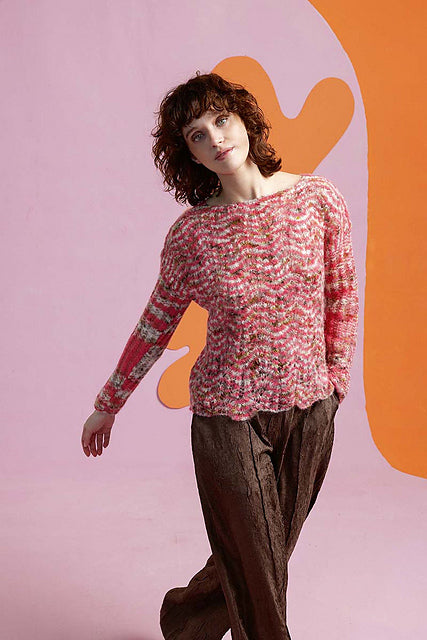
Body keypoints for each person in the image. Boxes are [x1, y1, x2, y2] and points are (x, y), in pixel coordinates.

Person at [81, 72, 359, 639]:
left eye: (221, 120)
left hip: (311, 410)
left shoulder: (318, 200)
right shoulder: (192, 236)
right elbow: (155, 325)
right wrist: (108, 404)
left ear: (244, 119)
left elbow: (343, 294)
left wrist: (336, 382)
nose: (216, 139)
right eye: (196, 135)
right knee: (258, 565)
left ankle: (186, 621)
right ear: (189, 155)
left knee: (261, 557)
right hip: (226, 416)